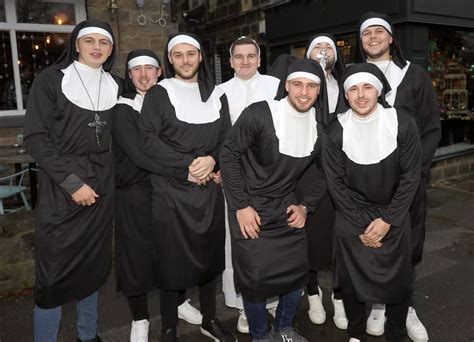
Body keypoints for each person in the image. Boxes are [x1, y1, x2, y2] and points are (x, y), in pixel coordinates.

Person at [23, 19, 121, 342]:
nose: (96, 47)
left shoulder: (115, 84)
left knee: (92, 268)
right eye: (89, 40)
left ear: (110, 49)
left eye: (103, 42)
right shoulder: (51, 81)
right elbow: (36, 138)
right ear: (76, 44)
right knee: (52, 278)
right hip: (61, 190)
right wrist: (72, 183)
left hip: (101, 192)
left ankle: (87, 335)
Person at [220, 58, 328, 342]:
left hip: (286, 208)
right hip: (249, 207)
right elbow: (228, 155)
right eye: (297, 84)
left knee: (296, 277)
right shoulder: (259, 113)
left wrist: (306, 205)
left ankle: (283, 327)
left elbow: (323, 171)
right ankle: (259, 336)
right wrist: (240, 206)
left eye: (311, 86)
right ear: (286, 86)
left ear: (319, 90)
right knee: (255, 281)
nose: (303, 92)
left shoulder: (319, 126)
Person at [139, 32, 235, 342]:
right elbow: (149, 140)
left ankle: (209, 318)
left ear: (200, 56)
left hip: (207, 190)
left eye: (190, 54)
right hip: (170, 190)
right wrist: (190, 164)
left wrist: (213, 161)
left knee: (208, 258)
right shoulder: (158, 93)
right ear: (169, 59)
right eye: (178, 55)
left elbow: (227, 139)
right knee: (171, 261)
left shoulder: (217, 94)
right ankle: (169, 326)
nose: (184, 60)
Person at [358, 12, 441, 341]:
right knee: (372, 240)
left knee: (407, 244)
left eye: (380, 32)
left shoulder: (415, 75)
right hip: (366, 181)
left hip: (409, 180)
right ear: (361, 41)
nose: (373, 37)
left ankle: (405, 305)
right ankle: (378, 303)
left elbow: (431, 128)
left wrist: (413, 173)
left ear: (392, 38)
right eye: (367, 34)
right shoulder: (355, 77)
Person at [324, 63, 421, 342]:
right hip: (351, 214)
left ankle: (396, 333)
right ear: (345, 95)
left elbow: (411, 176)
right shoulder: (335, 131)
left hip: (394, 212)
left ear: (379, 90)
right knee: (353, 284)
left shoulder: (402, 122)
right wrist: (361, 225)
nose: (361, 95)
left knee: (398, 283)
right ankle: (356, 335)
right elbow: (335, 184)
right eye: (353, 88)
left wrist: (388, 220)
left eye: (367, 87)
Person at [112, 49, 202, 342]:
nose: (143, 75)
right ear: (129, 75)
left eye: (149, 68)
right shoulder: (124, 108)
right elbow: (140, 155)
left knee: (173, 252)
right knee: (136, 258)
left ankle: (176, 303)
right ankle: (140, 319)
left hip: (166, 189)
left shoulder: (170, 100)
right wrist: (186, 171)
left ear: (160, 71)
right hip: (135, 193)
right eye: (136, 70)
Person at [217, 36, 280, 334]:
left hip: (271, 175)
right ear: (230, 62)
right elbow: (213, 134)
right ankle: (244, 305)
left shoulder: (275, 85)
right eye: (238, 56)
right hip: (235, 176)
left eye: (250, 56)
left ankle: (271, 299)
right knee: (239, 240)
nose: (244, 61)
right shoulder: (219, 92)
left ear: (259, 59)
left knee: (271, 237)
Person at [298, 33, 348, 329]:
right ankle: (313, 292)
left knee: (340, 238)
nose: (323, 50)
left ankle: (340, 297)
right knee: (308, 237)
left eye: (329, 46)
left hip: (342, 170)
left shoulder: (347, 86)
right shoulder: (300, 88)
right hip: (307, 171)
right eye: (317, 45)